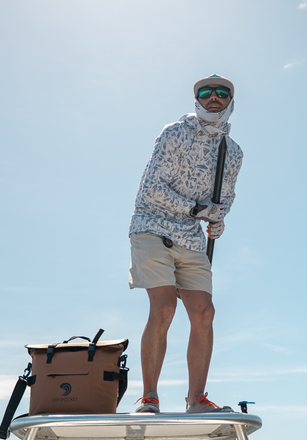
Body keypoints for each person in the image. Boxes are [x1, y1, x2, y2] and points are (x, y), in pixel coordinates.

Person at [128, 74, 243, 414]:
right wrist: (197, 209)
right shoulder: (174, 133)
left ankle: (197, 400)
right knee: (163, 307)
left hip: (191, 237)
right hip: (151, 225)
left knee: (205, 313)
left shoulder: (232, 152)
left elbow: (224, 199)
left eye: (221, 93)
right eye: (206, 92)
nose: (213, 98)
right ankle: (149, 398)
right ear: (197, 99)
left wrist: (217, 218)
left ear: (229, 102)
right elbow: (150, 190)